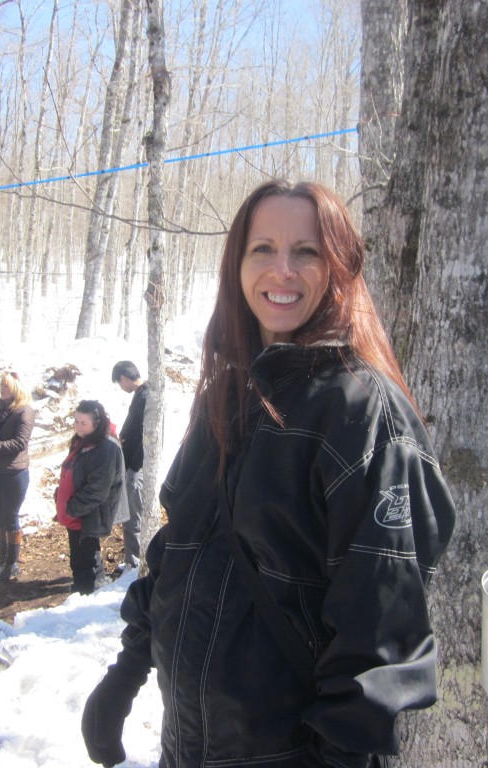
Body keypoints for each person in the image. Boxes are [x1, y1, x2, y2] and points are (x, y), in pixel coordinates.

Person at [81, 181, 457, 767]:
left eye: (306, 251)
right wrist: (127, 669)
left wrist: (335, 758)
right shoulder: (226, 396)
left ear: (336, 267)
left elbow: (379, 629)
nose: (282, 270)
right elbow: (180, 547)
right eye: (263, 249)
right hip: (192, 745)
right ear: (237, 265)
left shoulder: (359, 412)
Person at [54, 400, 125, 596]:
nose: (77, 427)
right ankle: (87, 588)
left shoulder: (106, 449)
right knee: (81, 555)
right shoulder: (82, 440)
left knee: (84, 559)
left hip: (87, 514)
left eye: (83, 423)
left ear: (97, 423)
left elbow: (98, 490)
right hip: (76, 513)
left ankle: (87, 593)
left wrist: (70, 508)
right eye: (76, 421)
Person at [0, 371, 36, 581]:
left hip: (14, 472)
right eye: (1, 385)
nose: (2, 389)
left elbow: (21, 443)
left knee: (10, 517)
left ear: (16, 388)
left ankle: (12, 563)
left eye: (6, 386)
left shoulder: (25, 411)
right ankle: (2, 560)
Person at [111, 361, 148, 569]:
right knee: (131, 513)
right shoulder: (141, 395)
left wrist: (134, 467)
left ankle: (136, 562)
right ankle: (134, 559)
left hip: (136, 466)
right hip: (132, 462)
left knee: (134, 515)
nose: (121, 387)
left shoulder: (145, 396)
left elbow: (147, 436)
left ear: (125, 378)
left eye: (119, 382)